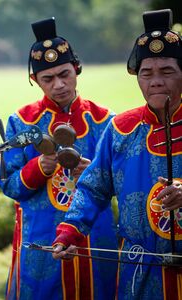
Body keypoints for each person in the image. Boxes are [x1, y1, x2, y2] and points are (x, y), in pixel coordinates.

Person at [52, 8, 182, 299]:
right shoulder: (121, 129)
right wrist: (71, 230)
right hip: (139, 270)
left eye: (167, 72)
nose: (156, 81)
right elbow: (94, 186)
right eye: (146, 73)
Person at [0, 17, 118, 299]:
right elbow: (10, 185)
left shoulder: (105, 121)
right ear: (34, 79)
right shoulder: (22, 122)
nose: (59, 85)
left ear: (77, 68)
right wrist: (39, 167)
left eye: (65, 74)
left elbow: (124, 187)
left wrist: (95, 176)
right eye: (47, 79)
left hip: (96, 236)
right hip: (41, 238)